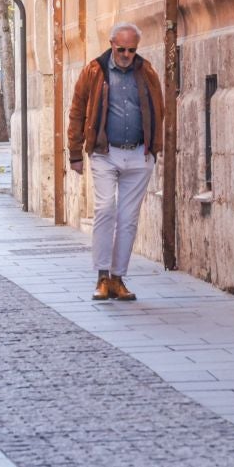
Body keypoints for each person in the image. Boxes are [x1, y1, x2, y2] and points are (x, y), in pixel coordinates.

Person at [67, 22, 162, 302]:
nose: (126, 55)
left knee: (128, 218)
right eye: (121, 49)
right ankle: (101, 276)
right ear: (111, 44)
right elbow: (76, 112)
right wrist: (74, 153)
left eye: (132, 50)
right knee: (105, 209)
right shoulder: (94, 71)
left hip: (139, 154)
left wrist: (154, 148)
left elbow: (159, 108)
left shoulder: (146, 72)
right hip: (104, 152)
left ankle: (118, 279)